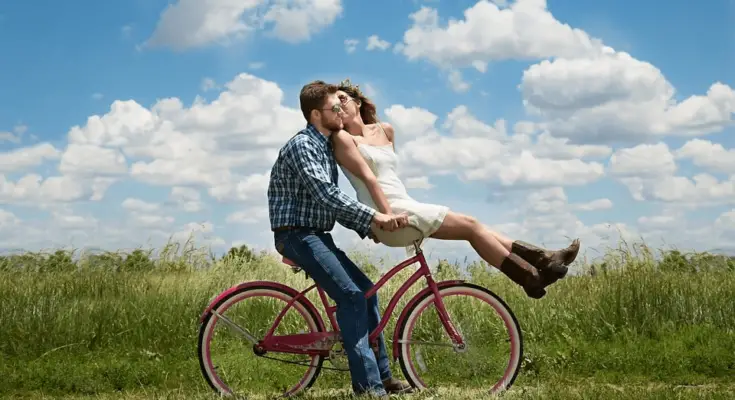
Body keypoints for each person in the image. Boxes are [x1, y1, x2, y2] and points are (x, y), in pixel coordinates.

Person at [330, 78, 581, 299]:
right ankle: (531, 274)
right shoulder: (344, 139)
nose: (340, 107)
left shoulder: (386, 130)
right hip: (387, 213)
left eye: (343, 99)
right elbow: (370, 181)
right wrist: (383, 217)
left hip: (403, 203)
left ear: (358, 102)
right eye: (334, 105)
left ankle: (540, 263)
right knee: (471, 226)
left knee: (475, 227)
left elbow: (390, 177)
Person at [267, 80, 414, 399]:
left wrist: (368, 228)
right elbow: (327, 194)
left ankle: (384, 377)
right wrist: (374, 218)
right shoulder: (304, 145)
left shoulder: (323, 145)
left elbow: (330, 202)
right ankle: (369, 388)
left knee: (367, 293)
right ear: (317, 114)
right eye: (335, 107)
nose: (341, 112)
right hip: (297, 234)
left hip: (316, 235)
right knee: (351, 297)